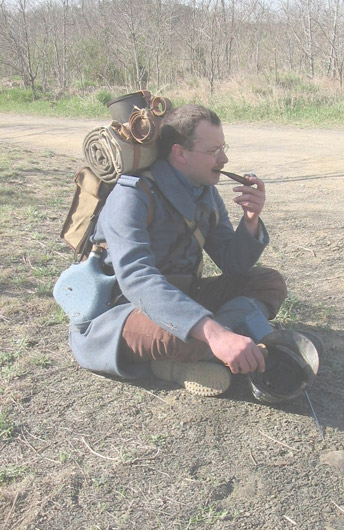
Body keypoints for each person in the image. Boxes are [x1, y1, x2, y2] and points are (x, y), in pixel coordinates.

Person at [69, 104, 287, 397]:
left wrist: (250, 219)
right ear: (179, 153)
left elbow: (233, 264)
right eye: (213, 151)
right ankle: (179, 361)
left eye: (223, 148)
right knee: (180, 335)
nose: (223, 159)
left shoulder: (205, 190)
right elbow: (137, 279)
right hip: (126, 311)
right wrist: (213, 332)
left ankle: (212, 346)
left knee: (268, 282)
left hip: (183, 298)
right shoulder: (132, 194)